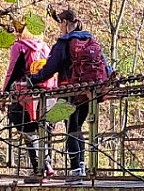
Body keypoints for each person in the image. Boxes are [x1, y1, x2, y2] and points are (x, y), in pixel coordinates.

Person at [28, 9, 110, 178]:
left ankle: (75, 171)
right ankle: (81, 164)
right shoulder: (90, 40)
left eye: (60, 23)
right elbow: (105, 66)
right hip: (89, 92)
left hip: (69, 93)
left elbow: (51, 67)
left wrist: (32, 80)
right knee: (78, 126)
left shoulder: (64, 43)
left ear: (64, 23)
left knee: (70, 128)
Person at [3, 25, 57, 179]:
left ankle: (41, 168)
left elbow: (12, 71)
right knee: (45, 131)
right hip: (49, 93)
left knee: (26, 128)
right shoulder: (45, 47)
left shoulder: (19, 47)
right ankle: (46, 167)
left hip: (26, 94)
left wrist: (4, 94)